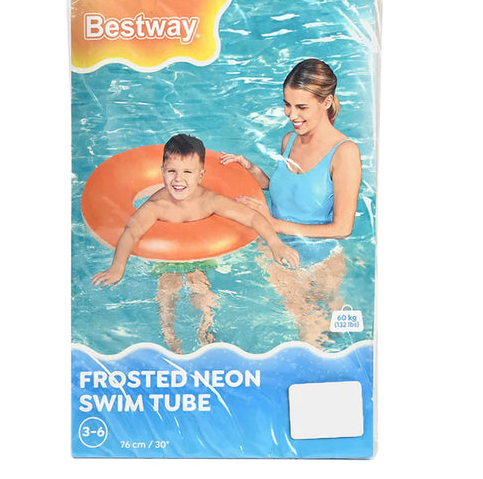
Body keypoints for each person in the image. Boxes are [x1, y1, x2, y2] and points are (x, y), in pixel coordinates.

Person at [91, 133, 300, 352]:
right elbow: (131, 232)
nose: (178, 179)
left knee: (200, 287)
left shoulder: (208, 201)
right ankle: (170, 337)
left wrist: (276, 244)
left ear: (201, 176)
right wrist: (117, 268)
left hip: (200, 254)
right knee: (167, 289)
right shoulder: (157, 206)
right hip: (166, 256)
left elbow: (253, 218)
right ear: (162, 172)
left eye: (187, 172)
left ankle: (205, 332)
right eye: (171, 171)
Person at [220, 58, 362, 348]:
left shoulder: (344, 153)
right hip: (277, 251)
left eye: (301, 107)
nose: (291, 115)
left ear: (326, 102)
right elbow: (288, 190)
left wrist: (272, 224)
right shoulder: (289, 141)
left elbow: (343, 228)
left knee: (313, 338)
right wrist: (250, 168)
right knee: (316, 335)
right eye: (287, 104)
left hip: (319, 261)